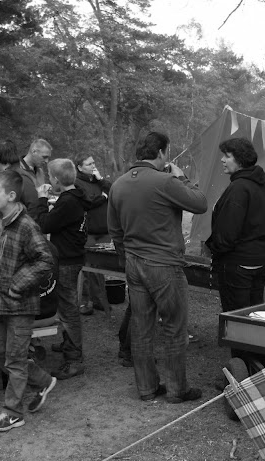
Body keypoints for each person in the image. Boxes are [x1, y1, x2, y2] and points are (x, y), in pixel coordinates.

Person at [108, 131, 208, 403]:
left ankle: (147, 388)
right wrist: (181, 177)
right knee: (174, 327)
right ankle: (177, 390)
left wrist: (125, 258)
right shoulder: (166, 181)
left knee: (142, 327)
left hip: (134, 263)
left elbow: (115, 230)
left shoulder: (118, 184)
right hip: (164, 264)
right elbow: (200, 203)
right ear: (163, 153)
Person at [0, 170, 57, 432]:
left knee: (14, 358)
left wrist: (17, 285)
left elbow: (45, 260)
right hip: (0, 303)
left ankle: (13, 412)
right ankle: (43, 380)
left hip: (20, 304)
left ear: (11, 196)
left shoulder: (26, 225)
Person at [31, 158, 91, 380]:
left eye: (50, 177)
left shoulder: (67, 202)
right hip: (71, 256)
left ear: (55, 180)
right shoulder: (77, 195)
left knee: (68, 309)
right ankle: (68, 343)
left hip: (67, 259)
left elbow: (43, 224)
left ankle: (74, 359)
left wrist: (42, 198)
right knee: (67, 306)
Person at [205, 138, 265, 312]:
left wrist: (214, 248)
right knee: (254, 311)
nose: (222, 159)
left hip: (238, 263)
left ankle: (237, 339)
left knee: (236, 314)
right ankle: (252, 339)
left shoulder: (238, 189)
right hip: (261, 259)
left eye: (227, 156)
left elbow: (227, 233)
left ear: (240, 159)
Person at [73, 155, 112, 316]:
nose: (93, 166)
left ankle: (99, 300)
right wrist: (103, 197)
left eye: (94, 162)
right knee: (88, 268)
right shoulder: (76, 182)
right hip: (88, 230)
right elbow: (87, 202)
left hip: (104, 229)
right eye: (89, 164)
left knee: (101, 267)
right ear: (80, 167)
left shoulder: (98, 181)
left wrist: (101, 180)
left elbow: (114, 191)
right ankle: (86, 302)